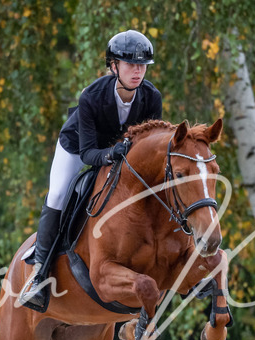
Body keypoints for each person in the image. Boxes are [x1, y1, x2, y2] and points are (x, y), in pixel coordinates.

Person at [18, 29, 163, 309]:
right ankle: (39, 276)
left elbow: (152, 143)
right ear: (113, 66)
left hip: (122, 155)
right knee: (59, 193)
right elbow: (87, 153)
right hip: (78, 148)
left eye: (142, 65)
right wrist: (112, 153)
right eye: (130, 64)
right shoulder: (92, 97)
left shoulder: (151, 97)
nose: (137, 71)